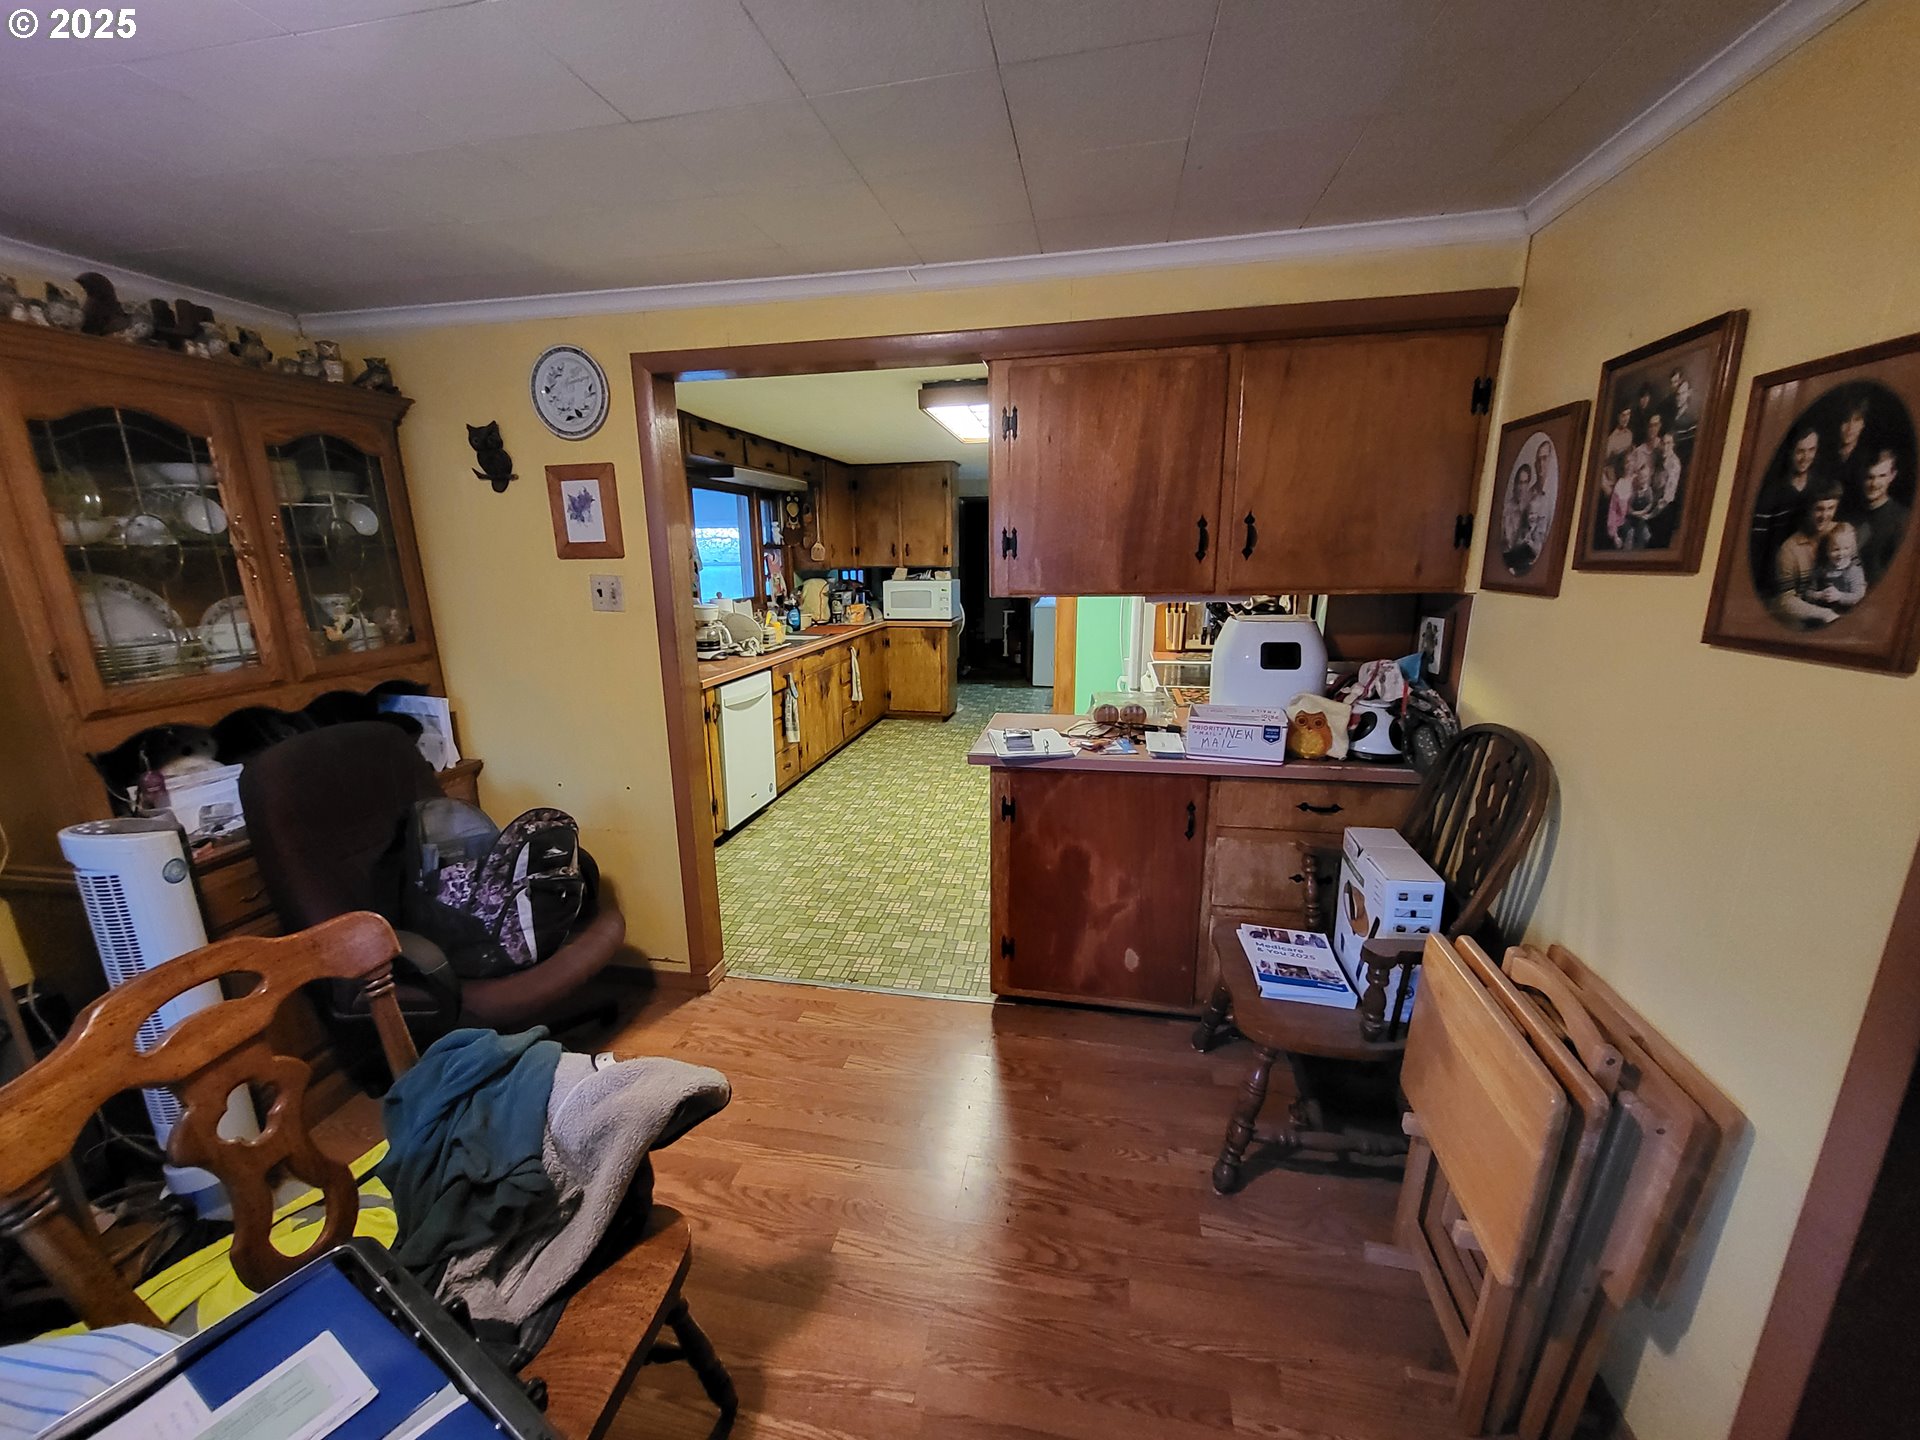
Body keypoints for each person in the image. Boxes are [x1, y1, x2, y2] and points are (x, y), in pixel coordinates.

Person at [1752, 423, 1822, 584]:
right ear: (1790, 451)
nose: (1806, 458)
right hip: (1776, 578)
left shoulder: (1820, 488)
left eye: (1811, 450)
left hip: (1812, 577)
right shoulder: (1770, 493)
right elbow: (1758, 547)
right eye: (1800, 451)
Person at [1770, 479, 1845, 627]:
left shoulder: (1843, 532)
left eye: (1831, 508)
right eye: (1819, 509)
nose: (1824, 515)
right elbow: (1785, 601)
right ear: (1808, 509)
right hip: (1806, 619)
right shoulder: (1789, 549)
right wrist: (1826, 614)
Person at [1855, 447, 1910, 585]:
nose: (1874, 484)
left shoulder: (1902, 520)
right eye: (1870, 477)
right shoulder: (1850, 515)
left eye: (1882, 476)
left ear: (1892, 476)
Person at [1807, 522, 1867, 612]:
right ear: (1827, 550)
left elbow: (1858, 596)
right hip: (1823, 611)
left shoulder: (1854, 571)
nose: (1841, 554)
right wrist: (1820, 595)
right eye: (1836, 549)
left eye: (1846, 548)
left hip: (1846, 613)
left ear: (1852, 549)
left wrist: (1839, 596)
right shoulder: (1822, 569)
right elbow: (1808, 593)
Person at [1833, 397, 1872, 513]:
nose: (1850, 428)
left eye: (1856, 420)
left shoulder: (1867, 459)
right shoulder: (1825, 455)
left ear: (1862, 424)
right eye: (1846, 421)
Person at [1667, 370, 1700, 466]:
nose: (1679, 397)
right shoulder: (1670, 415)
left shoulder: (1692, 418)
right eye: (1678, 394)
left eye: (1682, 393)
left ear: (1689, 393)